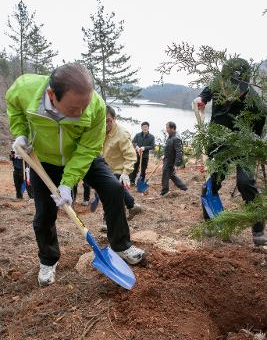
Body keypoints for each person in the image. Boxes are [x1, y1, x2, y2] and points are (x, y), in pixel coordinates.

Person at [6, 63, 145, 287]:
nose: (80, 113)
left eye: (85, 106)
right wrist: (20, 132)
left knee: (112, 188)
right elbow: (13, 104)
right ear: (51, 95)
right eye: (73, 109)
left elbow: (89, 149)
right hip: (45, 160)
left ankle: (120, 245)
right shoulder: (25, 89)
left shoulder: (97, 107)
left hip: (81, 155)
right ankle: (48, 260)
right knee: (44, 214)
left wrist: (67, 183)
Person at [193, 57, 266, 246]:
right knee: (211, 181)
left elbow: (257, 135)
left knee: (246, 182)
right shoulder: (219, 83)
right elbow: (207, 91)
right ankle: (211, 221)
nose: (230, 92)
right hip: (219, 141)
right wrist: (202, 98)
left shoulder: (256, 105)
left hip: (245, 143)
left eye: (236, 89)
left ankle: (258, 230)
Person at [103, 105, 142, 227]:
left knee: (110, 194)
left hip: (120, 168)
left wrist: (126, 172)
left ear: (114, 119)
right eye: (102, 121)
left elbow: (131, 156)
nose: (106, 125)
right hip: (106, 167)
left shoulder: (122, 134)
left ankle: (107, 221)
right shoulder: (100, 131)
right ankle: (132, 205)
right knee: (114, 192)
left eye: (108, 121)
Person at [160, 121, 188, 196]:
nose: (166, 129)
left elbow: (179, 152)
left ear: (172, 128)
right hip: (167, 159)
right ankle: (184, 188)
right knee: (172, 175)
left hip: (171, 161)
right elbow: (168, 148)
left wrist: (176, 164)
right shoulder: (170, 136)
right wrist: (164, 155)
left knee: (165, 175)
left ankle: (164, 192)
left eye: (167, 128)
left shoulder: (176, 138)